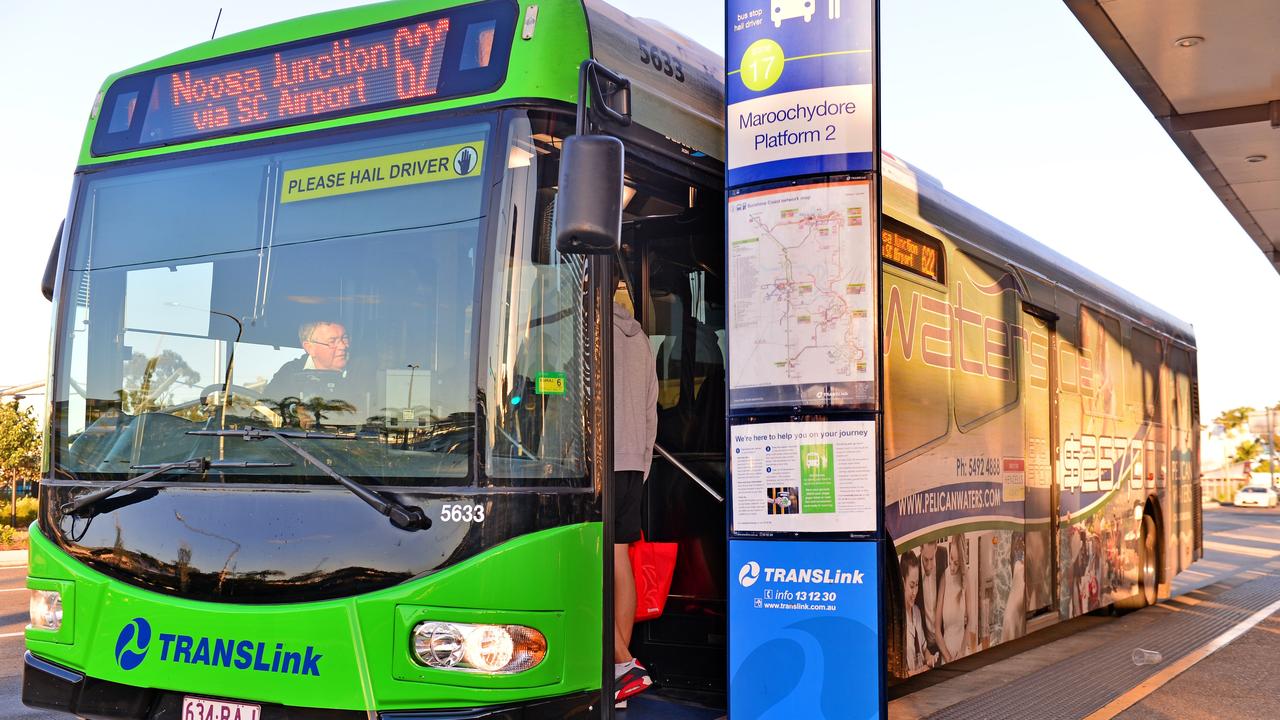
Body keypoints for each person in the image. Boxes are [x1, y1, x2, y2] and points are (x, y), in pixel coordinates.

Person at [611, 293, 659, 705]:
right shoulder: (639, 336)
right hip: (630, 467)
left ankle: (623, 663)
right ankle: (617, 678)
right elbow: (650, 409)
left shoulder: (582, 330)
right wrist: (641, 466)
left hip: (595, 465)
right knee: (619, 558)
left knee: (589, 560)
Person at [265, 321, 357, 427]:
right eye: (332, 341)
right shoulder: (289, 372)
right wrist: (294, 413)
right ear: (310, 348)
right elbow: (265, 409)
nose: (343, 346)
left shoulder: (361, 369)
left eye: (344, 338)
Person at [902, 550, 937, 673]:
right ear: (902, 583)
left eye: (917, 585)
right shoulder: (898, 621)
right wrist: (919, 672)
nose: (915, 592)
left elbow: (923, 649)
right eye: (911, 586)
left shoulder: (916, 612)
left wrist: (930, 658)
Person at [936, 534, 968, 663]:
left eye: (956, 563)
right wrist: (948, 658)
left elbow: (970, 622)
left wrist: (961, 653)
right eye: (950, 559)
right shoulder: (945, 577)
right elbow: (937, 628)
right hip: (947, 654)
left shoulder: (966, 579)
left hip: (962, 653)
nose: (952, 567)